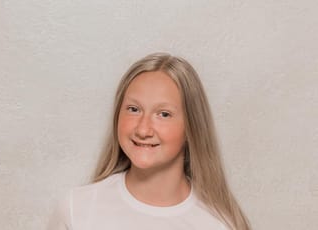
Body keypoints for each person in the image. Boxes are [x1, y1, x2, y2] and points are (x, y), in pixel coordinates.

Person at [47, 53, 250, 230]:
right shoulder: (77, 209)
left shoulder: (220, 224)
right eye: (134, 109)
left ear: (191, 127)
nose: (143, 129)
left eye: (163, 114)